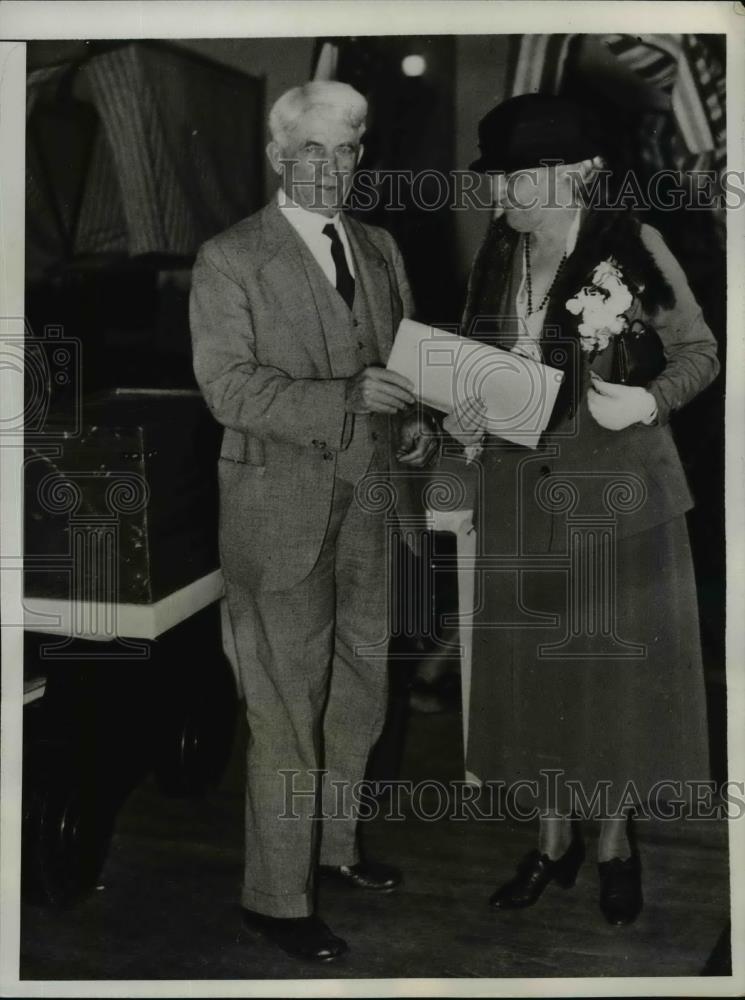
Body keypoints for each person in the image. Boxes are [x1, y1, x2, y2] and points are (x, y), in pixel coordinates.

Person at [445, 93, 719, 925]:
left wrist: (645, 403)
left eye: (518, 180)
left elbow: (700, 350)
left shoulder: (631, 245)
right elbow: (478, 362)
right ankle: (549, 840)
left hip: (615, 499)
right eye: (495, 182)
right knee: (533, 674)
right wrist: (460, 413)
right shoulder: (499, 252)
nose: (502, 199)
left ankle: (612, 845)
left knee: (608, 683)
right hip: (517, 494)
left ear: (575, 174)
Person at [189, 81, 437, 963]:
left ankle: (333, 851)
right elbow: (228, 389)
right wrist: (343, 399)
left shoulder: (378, 246)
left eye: (346, 151)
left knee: (360, 696)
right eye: (312, 152)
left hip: (375, 509)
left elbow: (402, 372)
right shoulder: (229, 259)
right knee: (286, 711)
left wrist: (413, 425)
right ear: (277, 157)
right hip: (276, 515)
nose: (331, 169)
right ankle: (274, 900)